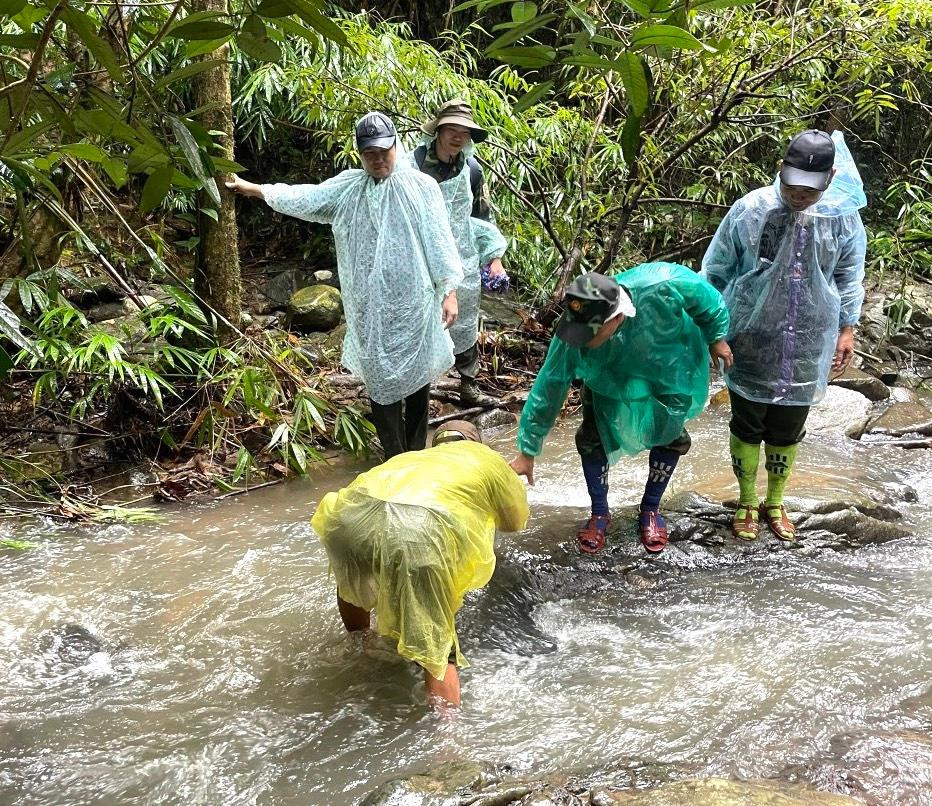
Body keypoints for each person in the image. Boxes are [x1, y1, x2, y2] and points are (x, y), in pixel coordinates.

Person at [226, 112, 463, 459]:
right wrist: (256, 190)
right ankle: (394, 460)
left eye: (384, 152)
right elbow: (305, 198)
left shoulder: (421, 188)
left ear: (396, 146)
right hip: (370, 311)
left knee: (417, 381)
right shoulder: (349, 189)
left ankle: (417, 458)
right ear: (360, 153)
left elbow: (440, 239)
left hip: (414, 305)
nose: (379, 160)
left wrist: (450, 291)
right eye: (370, 154)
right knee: (380, 383)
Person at [701, 130, 867, 542]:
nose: (799, 194)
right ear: (782, 169)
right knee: (747, 422)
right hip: (750, 337)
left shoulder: (842, 216)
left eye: (810, 189)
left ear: (829, 178)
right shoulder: (750, 210)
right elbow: (715, 272)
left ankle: (774, 503)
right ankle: (745, 500)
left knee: (789, 427)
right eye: (793, 184)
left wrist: (848, 328)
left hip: (811, 339)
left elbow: (849, 276)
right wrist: (712, 332)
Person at [510, 265, 732, 555]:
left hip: (669, 363)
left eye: (588, 333)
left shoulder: (662, 284)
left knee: (670, 433)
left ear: (615, 319)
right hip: (609, 374)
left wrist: (716, 337)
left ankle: (650, 509)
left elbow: (705, 297)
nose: (580, 340)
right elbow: (550, 384)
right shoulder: (577, 324)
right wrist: (528, 450)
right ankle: (600, 512)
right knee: (592, 436)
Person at [311, 420, 529, 707]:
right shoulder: (486, 459)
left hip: (348, 517)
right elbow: (514, 522)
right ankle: (446, 740)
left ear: (436, 444)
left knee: (355, 574)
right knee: (437, 643)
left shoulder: (411, 457)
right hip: (418, 531)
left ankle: (360, 644)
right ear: (475, 443)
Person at [413, 99, 509, 408]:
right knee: (421, 320)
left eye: (463, 132)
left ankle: (468, 383)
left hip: (461, 252)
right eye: (451, 129)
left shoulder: (471, 169)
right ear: (438, 131)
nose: (457, 137)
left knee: (465, 317)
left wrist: (494, 257)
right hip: (420, 255)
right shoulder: (413, 164)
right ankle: (417, 391)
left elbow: (481, 214)